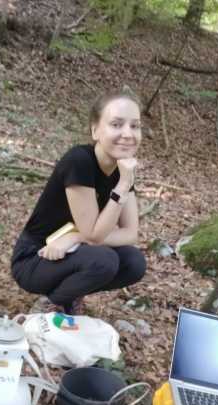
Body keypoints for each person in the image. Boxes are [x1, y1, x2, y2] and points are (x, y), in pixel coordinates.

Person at [11, 90, 146, 315]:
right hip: (36, 257)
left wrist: (74, 237)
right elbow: (94, 235)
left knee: (134, 262)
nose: (127, 133)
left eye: (135, 126)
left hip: (72, 252)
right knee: (104, 260)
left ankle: (70, 293)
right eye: (116, 124)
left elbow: (130, 234)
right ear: (95, 130)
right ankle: (49, 306)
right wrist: (122, 186)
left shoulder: (123, 170)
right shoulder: (80, 161)